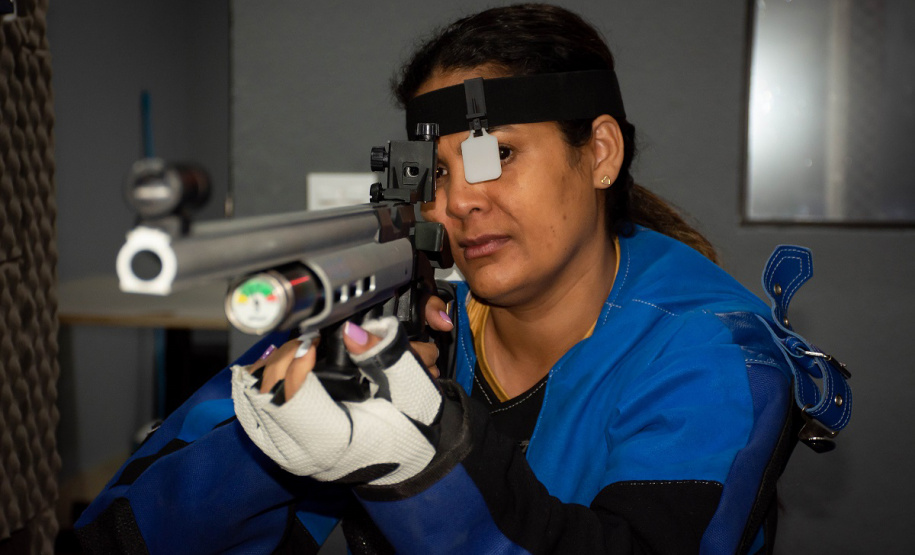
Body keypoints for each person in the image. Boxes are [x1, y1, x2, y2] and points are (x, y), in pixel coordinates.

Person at [76, 4, 850, 554]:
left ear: (601, 152)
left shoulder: (715, 358)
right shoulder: (408, 315)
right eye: (435, 173)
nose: (459, 201)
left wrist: (428, 458)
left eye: (495, 155)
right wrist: (266, 437)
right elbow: (127, 531)